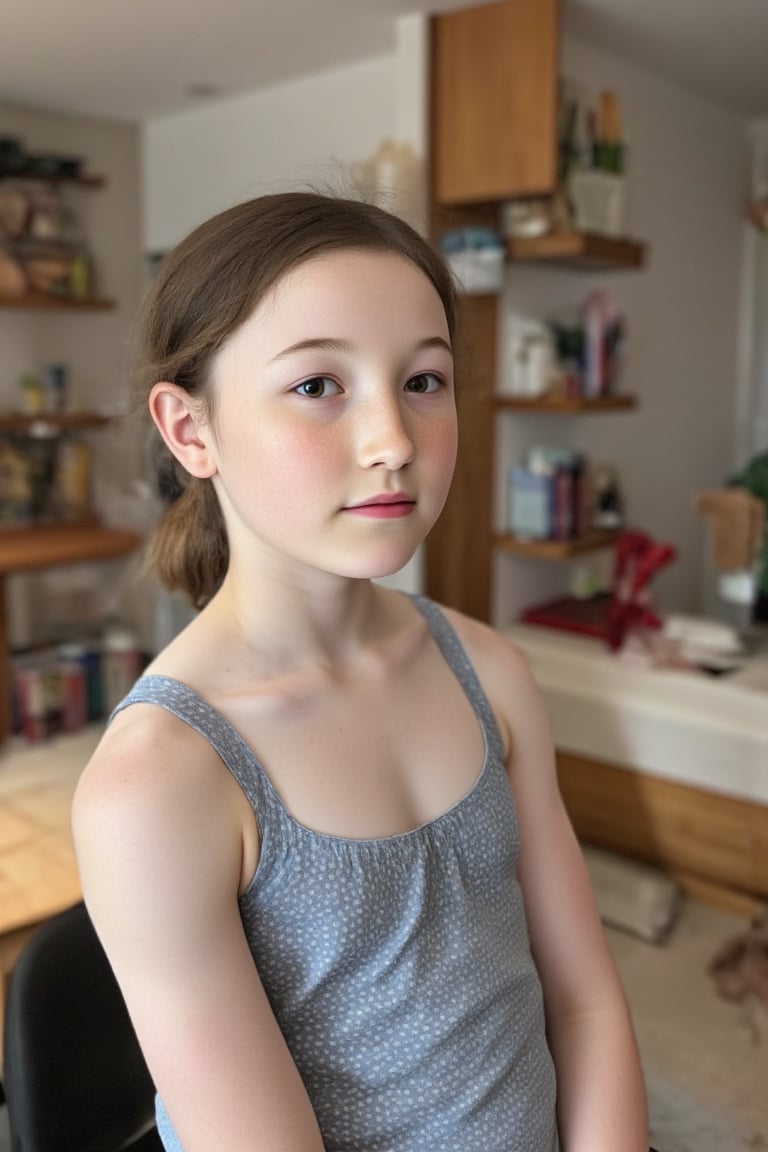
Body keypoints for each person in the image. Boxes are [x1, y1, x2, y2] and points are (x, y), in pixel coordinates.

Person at [72, 192, 649, 1152]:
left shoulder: (490, 673)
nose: (394, 442)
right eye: (317, 386)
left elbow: (585, 1002)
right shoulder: (160, 784)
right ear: (190, 431)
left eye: (424, 380)